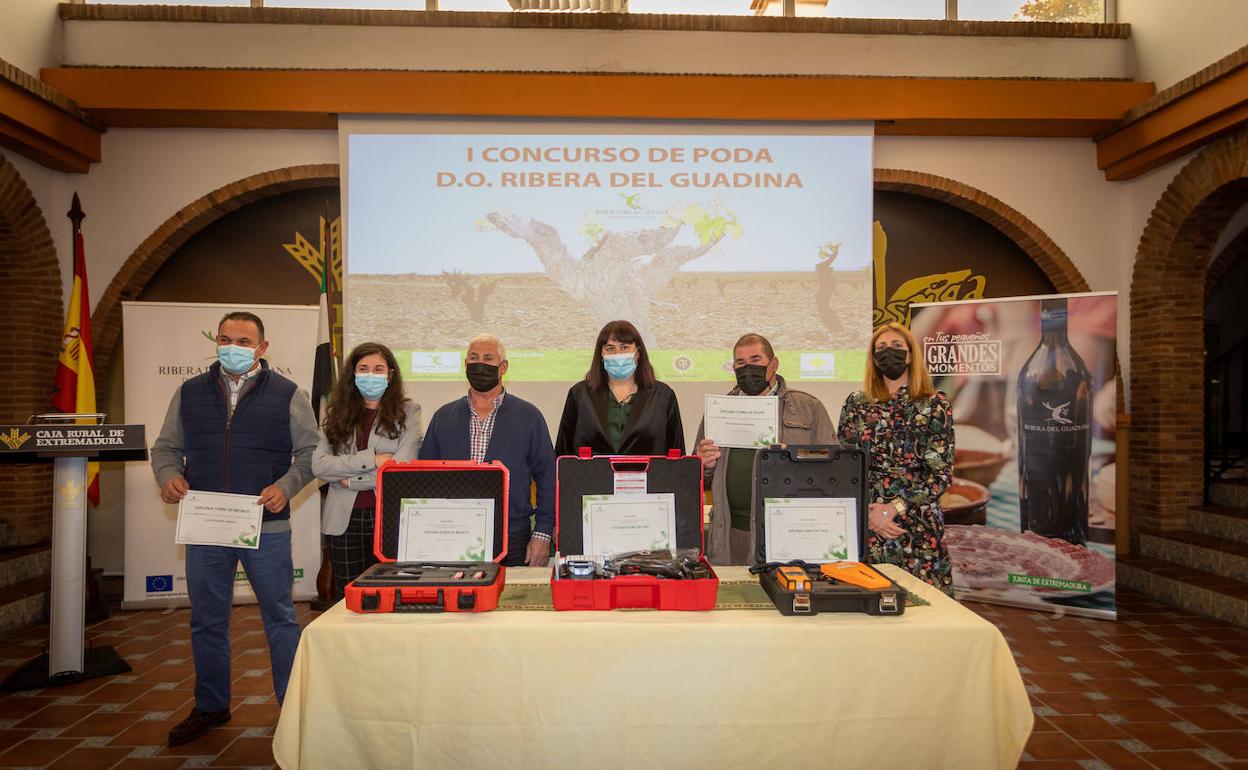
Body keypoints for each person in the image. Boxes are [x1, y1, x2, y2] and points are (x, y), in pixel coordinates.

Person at [151, 311, 318, 746]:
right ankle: (211, 705)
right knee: (206, 621)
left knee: (280, 618)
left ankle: (291, 709)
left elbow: (310, 454)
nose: (233, 347)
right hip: (206, 525)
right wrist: (168, 476)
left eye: (244, 341)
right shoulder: (189, 392)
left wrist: (286, 486)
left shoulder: (288, 394)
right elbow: (166, 448)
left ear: (262, 348)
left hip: (266, 525)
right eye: (226, 339)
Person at [694, 333, 837, 565]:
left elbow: (833, 470)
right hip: (731, 535)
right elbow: (700, 479)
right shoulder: (718, 410)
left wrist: (792, 458)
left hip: (790, 532)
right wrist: (702, 464)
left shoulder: (808, 408)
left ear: (773, 365)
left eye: (756, 360)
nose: (748, 368)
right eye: (740, 363)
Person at [418, 334, 556, 567]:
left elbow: (548, 478)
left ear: (503, 368)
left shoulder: (529, 416)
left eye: (488, 358)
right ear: (465, 365)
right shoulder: (443, 417)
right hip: (452, 534)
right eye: (474, 358)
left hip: (512, 538)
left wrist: (542, 534)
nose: (479, 364)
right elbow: (423, 478)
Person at [837, 322, 955, 594]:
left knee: (924, 608)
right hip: (867, 519)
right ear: (873, 358)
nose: (888, 353)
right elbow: (845, 464)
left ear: (911, 355)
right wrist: (870, 511)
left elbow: (940, 476)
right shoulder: (856, 403)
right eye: (881, 349)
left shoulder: (934, 404)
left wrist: (893, 508)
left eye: (897, 347)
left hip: (916, 521)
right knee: (868, 600)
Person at [312, 342, 421, 600]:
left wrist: (349, 481)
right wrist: (371, 459)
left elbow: (400, 469)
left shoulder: (408, 412)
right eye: (363, 368)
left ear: (390, 374)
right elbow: (319, 465)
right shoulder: (335, 412)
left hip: (389, 519)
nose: (370, 374)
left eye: (378, 368)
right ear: (352, 373)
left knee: (390, 597)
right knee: (348, 599)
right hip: (343, 523)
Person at [555, 320, 685, 457]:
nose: (617, 354)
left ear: (637, 353)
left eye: (624, 347)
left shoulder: (663, 396)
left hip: (651, 478)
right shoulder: (579, 395)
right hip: (591, 477)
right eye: (610, 348)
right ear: (602, 354)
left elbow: (677, 457)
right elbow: (562, 455)